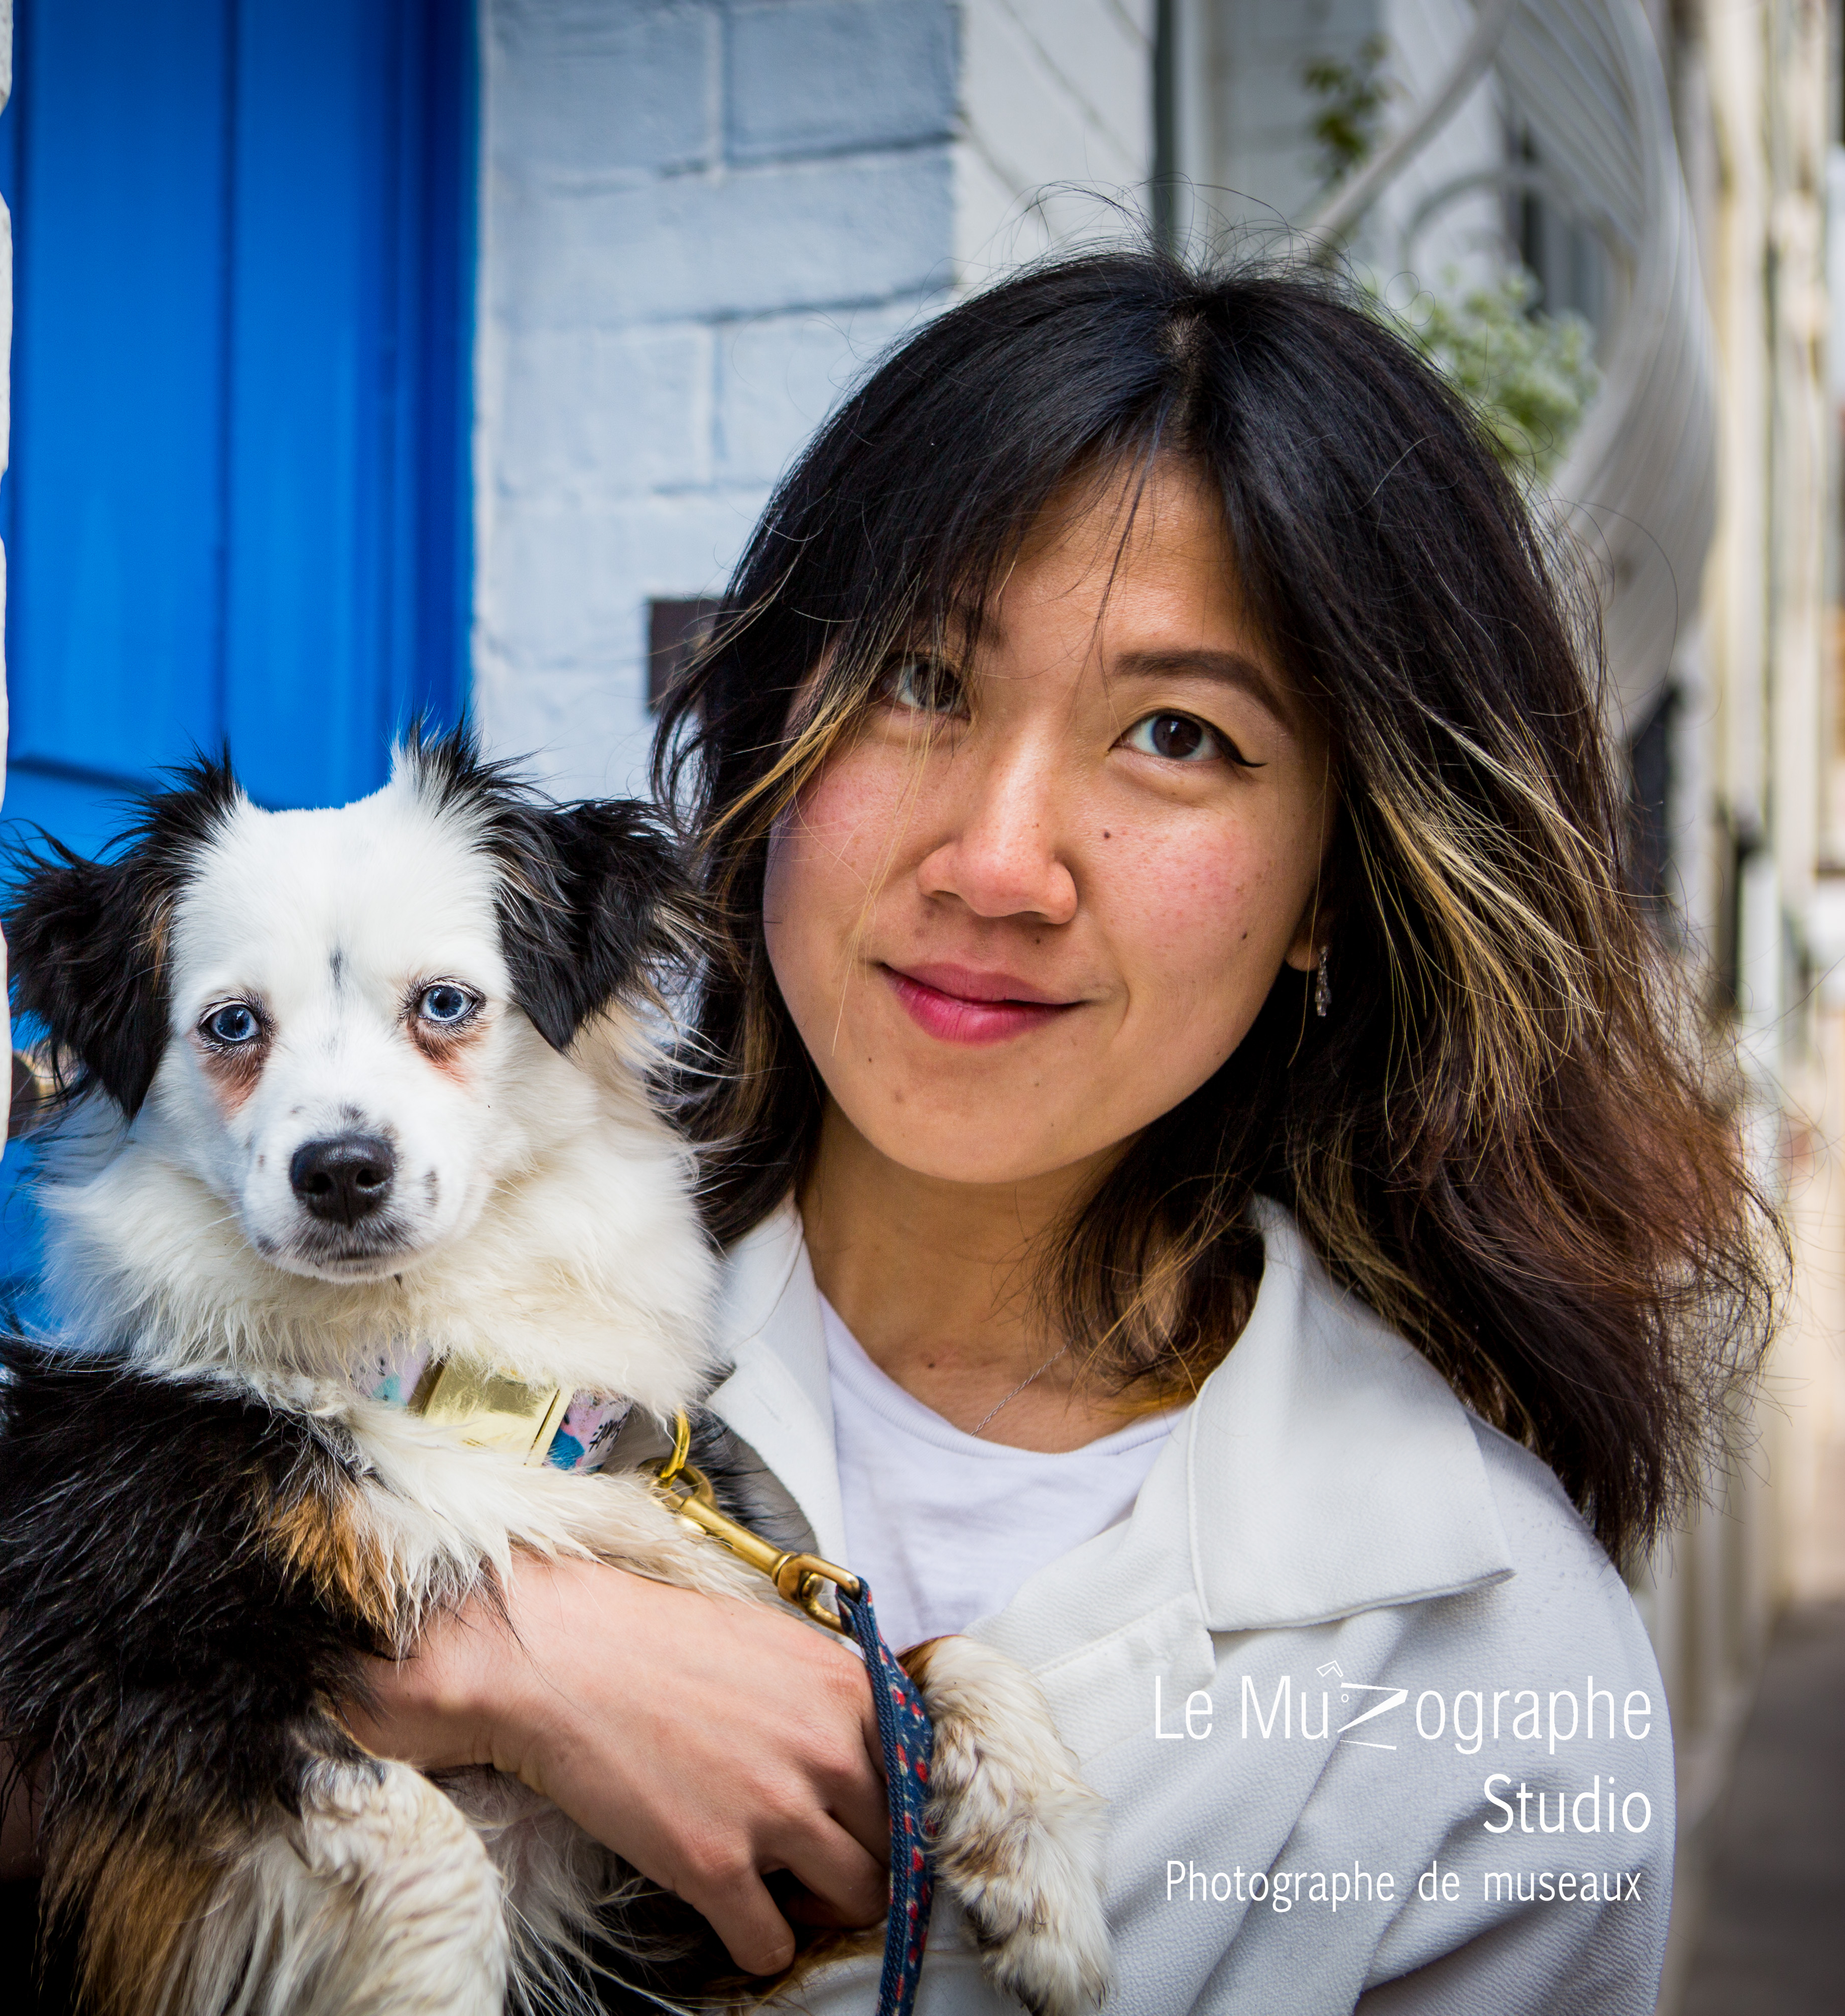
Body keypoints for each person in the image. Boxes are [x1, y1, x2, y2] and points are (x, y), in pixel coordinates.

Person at [345, 250, 1773, 2012]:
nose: (999, 863)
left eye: (1178, 735)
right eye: (922, 679)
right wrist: (481, 1648)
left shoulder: (1494, 1674)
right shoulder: (385, 1256)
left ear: (1335, 883)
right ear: (780, 728)